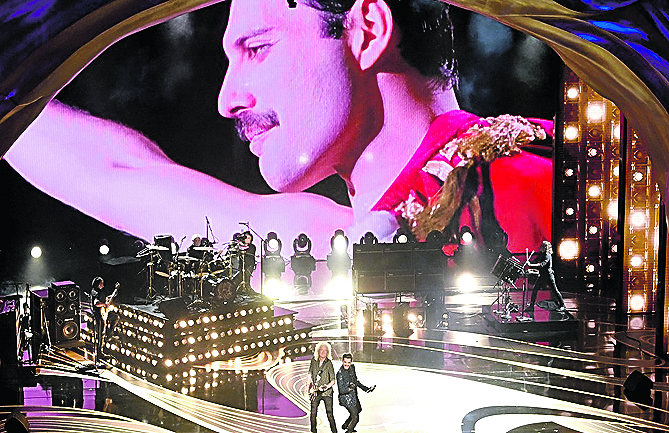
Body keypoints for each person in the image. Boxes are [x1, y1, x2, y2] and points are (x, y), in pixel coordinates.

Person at [5, 0, 552, 261]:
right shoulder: (339, 240)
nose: (227, 101)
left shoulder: (539, 185)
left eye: (259, 48)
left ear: (366, 31)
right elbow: (116, 175)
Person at [336, 353, 375, 433]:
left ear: (351, 362)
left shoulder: (352, 368)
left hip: (353, 395)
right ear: (342, 361)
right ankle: (349, 431)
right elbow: (341, 390)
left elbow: (355, 381)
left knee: (359, 409)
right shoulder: (340, 374)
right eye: (345, 362)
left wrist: (366, 389)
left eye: (349, 362)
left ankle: (346, 425)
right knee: (355, 417)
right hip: (346, 398)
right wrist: (350, 388)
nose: (347, 364)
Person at [525, 240, 566, 312]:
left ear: (545, 247)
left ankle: (562, 305)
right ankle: (531, 306)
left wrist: (531, 265)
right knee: (535, 289)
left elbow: (542, 264)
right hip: (542, 276)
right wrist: (529, 263)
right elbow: (535, 261)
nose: (540, 247)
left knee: (555, 290)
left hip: (549, 276)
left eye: (541, 246)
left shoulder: (547, 255)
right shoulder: (541, 254)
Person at [307, 341, 337, 433]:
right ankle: (313, 431)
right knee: (313, 414)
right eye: (321, 350)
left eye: (325, 350)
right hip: (315, 392)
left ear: (328, 352)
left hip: (327, 393)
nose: (323, 352)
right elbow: (310, 374)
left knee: (329, 414)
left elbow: (333, 380)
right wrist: (308, 387)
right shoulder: (313, 361)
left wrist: (326, 387)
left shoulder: (329, 363)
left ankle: (334, 432)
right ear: (318, 351)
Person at [90, 277, 119, 361]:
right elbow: (96, 303)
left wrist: (111, 296)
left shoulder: (95, 291)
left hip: (100, 314)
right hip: (99, 315)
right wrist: (104, 305)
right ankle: (99, 352)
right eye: (102, 283)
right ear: (99, 284)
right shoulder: (98, 292)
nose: (103, 284)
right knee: (100, 334)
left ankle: (109, 332)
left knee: (115, 317)